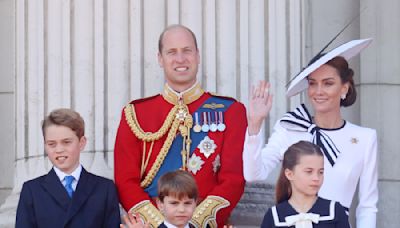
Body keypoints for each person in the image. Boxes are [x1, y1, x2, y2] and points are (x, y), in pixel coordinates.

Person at [114, 24, 247, 228]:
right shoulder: (135, 114)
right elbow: (125, 181)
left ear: (197, 55)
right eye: (171, 52)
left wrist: (193, 224)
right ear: (160, 58)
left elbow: (233, 180)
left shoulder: (231, 111)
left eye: (187, 51)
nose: (180, 59)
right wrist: (159, 224)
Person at [243, 39, 378, 228]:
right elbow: (253, 174)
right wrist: (254, 126)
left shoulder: (365, 138)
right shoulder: (290, 127)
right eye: (313, 84)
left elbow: (367, 206)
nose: (318, 91)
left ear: (344, 88)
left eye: (328, 83)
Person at [16, 108, 120, 228]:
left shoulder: (104, 189)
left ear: (82, 143)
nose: (59, 150)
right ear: (45, 145)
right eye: (51, 144)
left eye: (66, 142)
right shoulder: (32, 191)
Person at [261, 141, 350, 228]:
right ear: (289, 174)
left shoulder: (335, 211)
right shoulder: (274, 216)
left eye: (320, 172)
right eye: (309, 171)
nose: (316, 178)